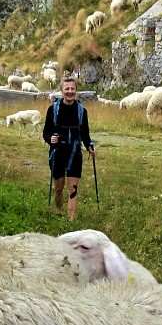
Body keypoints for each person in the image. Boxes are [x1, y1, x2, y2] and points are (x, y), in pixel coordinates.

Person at [42, 77, 95, 221]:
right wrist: (50, 139)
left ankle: (71, 219)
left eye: (72, 89)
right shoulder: (53, 110)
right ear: (61, 91)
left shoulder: (81, 111)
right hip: (58, 152)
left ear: (76, 90)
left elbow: (85, 134)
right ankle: (58, 211)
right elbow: (46, 132)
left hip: (74, 152)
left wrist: (90, 146)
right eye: (67, 89)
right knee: (58, 187)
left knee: (73, 188)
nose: (70, 92)